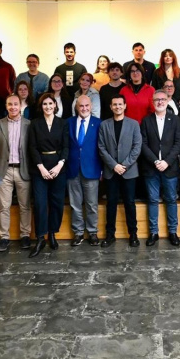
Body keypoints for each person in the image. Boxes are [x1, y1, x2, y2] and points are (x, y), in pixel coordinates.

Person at [0, 94, 33, 253]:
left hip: (23, 170)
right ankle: (4, 237)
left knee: (25, 206)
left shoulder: (29, 124)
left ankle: (25, 235)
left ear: (21, 106)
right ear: (6, 106)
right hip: (2, 172)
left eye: (15, 104)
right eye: (10, 104)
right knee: (3, 207)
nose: (13, 107)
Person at [29, 92, 69, 257]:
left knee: (57, 203)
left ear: (55, 105)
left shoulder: (63, 123)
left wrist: (60, 165)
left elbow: (67, 146)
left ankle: (52, 233)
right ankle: (40, 237)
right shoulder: (35, 123)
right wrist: (41, 168)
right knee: (40, 203)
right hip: (40, 168)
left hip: (58, 167)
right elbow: (31, 147)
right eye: (44, 104)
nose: (48, 107)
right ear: (41, 106)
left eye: (50, 104)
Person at [140, 90, 180, 247]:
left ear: (167, 101)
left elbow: (178, 143)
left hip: (169, 168)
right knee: (152, 200)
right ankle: (153, 232)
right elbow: (143, 144)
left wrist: (167, 161)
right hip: (151, 168)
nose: (160, 102)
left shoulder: (175, 120)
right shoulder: (146, 120)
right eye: (157, 99)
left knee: (171, 199)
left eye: (162, 99)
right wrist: (155, 161)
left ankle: (173, 232)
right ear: (152, 101)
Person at [98, 95, 142, 248]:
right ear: (110, 107)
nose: (117, 107)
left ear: (125, 106)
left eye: (120, 104)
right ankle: (110, 235)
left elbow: (137, 147)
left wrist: (124, 165)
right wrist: (114, 165)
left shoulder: (134, 124)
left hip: (129, 171)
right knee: (111, 203)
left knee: (130, 203)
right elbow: (101, 148)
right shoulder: (104, 125)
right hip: (111, 171)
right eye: (114, 104)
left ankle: (133, 234)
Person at [67, 95, 102, 247]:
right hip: (72, 168)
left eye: (87, 105)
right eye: (81, 106)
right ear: (76, 107)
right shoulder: (68, 122)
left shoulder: (99, 123)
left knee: (92, 204)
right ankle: (78, 233)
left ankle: (93, 232)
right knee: (75, 204)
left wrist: (101, 170)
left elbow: (101, 148)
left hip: (92, 169)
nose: (84, 108)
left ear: (91, 106)